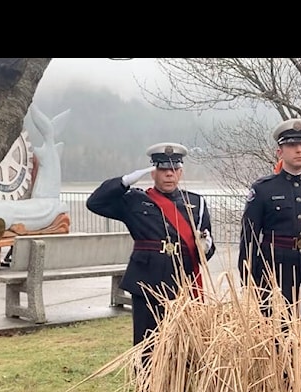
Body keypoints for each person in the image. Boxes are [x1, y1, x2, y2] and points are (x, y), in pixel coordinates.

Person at [86, 143, 215, 361]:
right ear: (153, 172)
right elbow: (95, 203)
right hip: (147, 282)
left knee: (183, 348)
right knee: (147, 346)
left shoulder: (196, 202)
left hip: (183, 282)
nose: (169, 174)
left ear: (181, 172)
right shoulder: (135, 200)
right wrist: (124, 182)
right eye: (163, 169)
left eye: (174, 170)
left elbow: (206, 250)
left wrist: (206, 246)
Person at [239, 118, 301, 317]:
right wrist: (248, 277)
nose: (299, 150)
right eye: (292, 145)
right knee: (276, 331)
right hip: (275, 270)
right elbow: (248, 238)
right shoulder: (263, 189)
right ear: (280, 152)